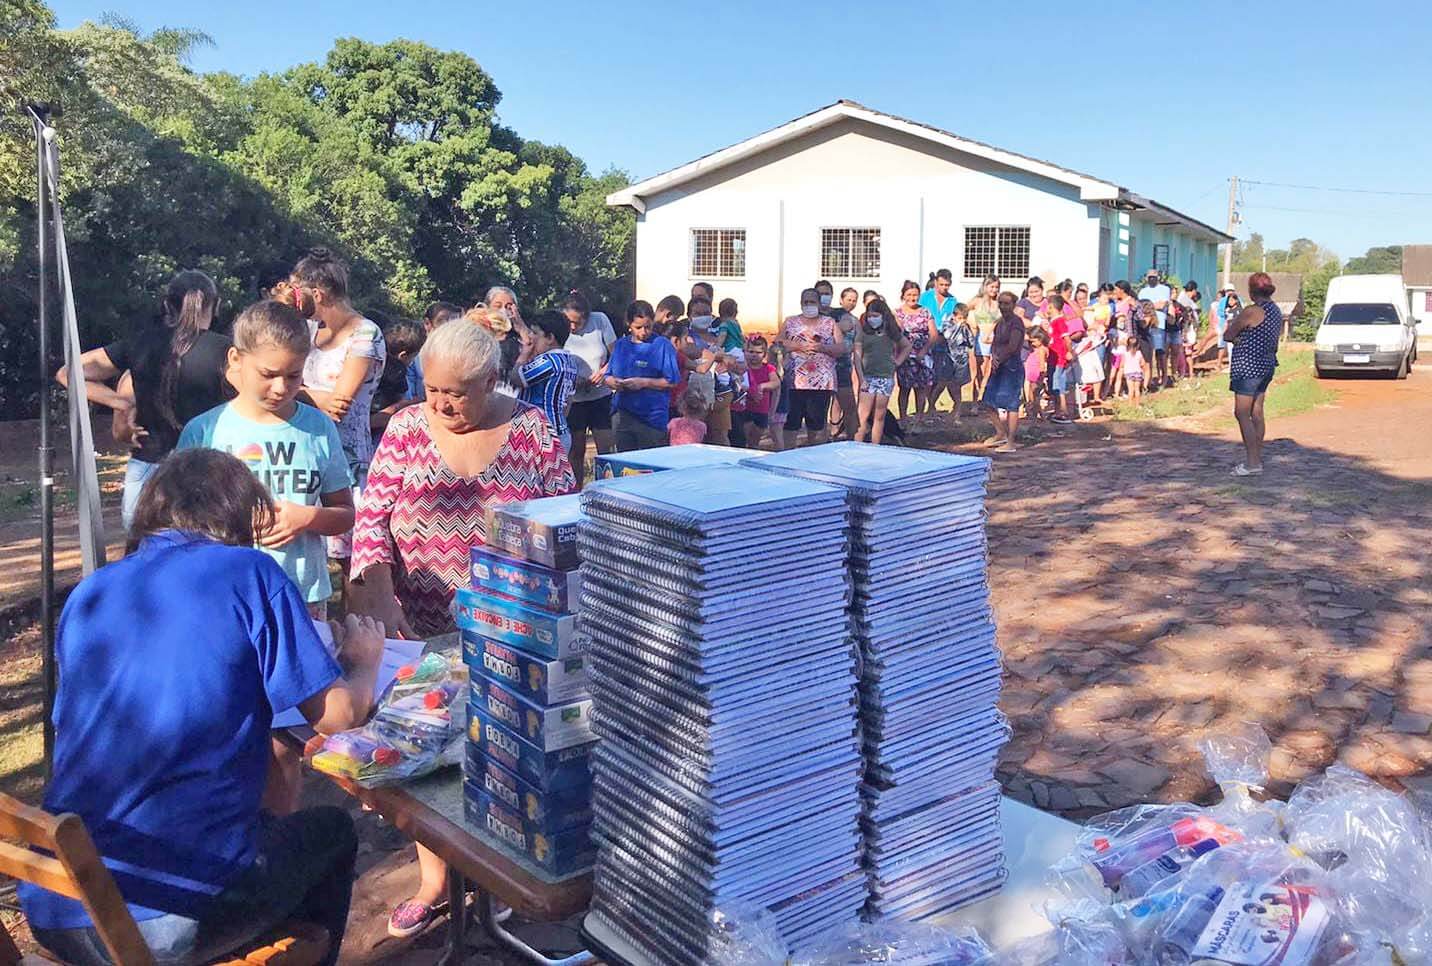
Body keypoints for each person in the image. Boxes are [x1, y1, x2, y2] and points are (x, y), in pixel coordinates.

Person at [19, 449, 384, 966]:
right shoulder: (248, 572)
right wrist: (363, 662)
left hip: (56, 902)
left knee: (260, 829)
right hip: (158, 919)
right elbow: (339, 715)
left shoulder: (90, 592)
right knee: (332, 833)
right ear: (239, 515)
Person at [348, 322, 574, 936]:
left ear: (492, 380)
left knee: (501, 748)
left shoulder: (532, 430)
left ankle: (498, 874)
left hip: (510, 628)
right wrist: (375, 585)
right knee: (426, 756)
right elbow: (371, 519)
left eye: (458, 393)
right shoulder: (405, 427)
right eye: (433, 390)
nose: (443, 404)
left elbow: (564, 519)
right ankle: (434, 880)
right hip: (418, 626)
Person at [178, 300, 354, 619]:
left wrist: (307, 518)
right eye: (268, 374)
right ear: (236, 359)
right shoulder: (204, 431)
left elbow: (345, 514)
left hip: (302, 596)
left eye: (293, 375)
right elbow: (177, 522)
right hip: (226, 594)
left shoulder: (318, 428)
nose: (280, 388)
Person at [56, 270, 227, 528]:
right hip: (207, 468)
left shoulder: (140, 343)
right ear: (215, 306)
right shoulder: (226, 350)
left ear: (167, 305)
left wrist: (121, 403)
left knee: (142, 554)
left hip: (148, 464)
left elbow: (68, 373)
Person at [291, 250, 386, 569]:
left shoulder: (366, 334)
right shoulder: (306, 331)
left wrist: (291, 389)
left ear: (316, 293)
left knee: (352, 561)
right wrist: (308, 393)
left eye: (297, 291)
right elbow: (326, 398)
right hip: (304, 454)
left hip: (348, 461)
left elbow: (339, 405)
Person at [1223, 272, 1282, 477]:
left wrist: (1240, 341)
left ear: (1251, 290)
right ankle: (1257, 456)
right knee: (1257, 412)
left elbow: (1229, 334)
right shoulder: (1275, 310)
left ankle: (1252, 462)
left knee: (1242, 413)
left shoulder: (1252, 311)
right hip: (1266, 365)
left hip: (1248, 366)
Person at [560, 290, 618, 487]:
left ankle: (606, 488)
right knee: (576, 450)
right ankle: (576, 491)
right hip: (574, 399)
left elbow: (616, 353)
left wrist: (603, 372)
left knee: (605, 446)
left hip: (600, 395)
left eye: (577, 322)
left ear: (587, 316)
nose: (573, 327)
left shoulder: (600, 320)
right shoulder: (561, 328)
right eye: (569, 322)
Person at [606, 300, 681, 451]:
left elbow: (672, 381)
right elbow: (608, 375)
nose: (643, 332)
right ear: (629, 324)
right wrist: (612, 382)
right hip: (623, 414)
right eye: (638, 327)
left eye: (648, 327)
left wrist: (644, 382)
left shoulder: (661, 345)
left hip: (651, 417)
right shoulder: (621, 345)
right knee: (624, 463)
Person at [778, 287, 844, 447]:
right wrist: (797, 346)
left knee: (816, 424)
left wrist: (822, 348)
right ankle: (789, 454)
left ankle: (814, 454)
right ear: (801, 303)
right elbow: (778, 343)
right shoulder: (790, 321)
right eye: (805, 302)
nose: (809, 305)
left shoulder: (830, 323)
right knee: (791, 422)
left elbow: (841, 348)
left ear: (819, 304)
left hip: (821, 383)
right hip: (795, 381)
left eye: (812, 302)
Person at [516, 310, 580, 453]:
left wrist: (524, 355)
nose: (531, 338)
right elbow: (569, 401)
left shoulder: (548, 361)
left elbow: (516, 378)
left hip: (542, 434)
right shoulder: (570, 362)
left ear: (550, 338)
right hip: (561, 430)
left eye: (535, 333)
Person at [853, 298, 910, 445]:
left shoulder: (891, 333)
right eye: (870, 315)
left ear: (883, 316)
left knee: (880, 415)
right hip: (868, 377)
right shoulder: (863, 333)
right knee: (863, 415)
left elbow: (906, 346)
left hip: (885, 377)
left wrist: (897, 362)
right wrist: (861, 379)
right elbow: (857, 357)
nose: (872, 319)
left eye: (875, 315)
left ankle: (875, 446)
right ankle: (856, 446)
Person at [982, 292, 1025, 453]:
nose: (1003, 307)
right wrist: (994, 357)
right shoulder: (1000, 323)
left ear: (1013, 305)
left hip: (1011, 367)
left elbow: (1013, 347)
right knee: (988, 400)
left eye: (1007, 303)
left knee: (1011, 404)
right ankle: (1001, 433)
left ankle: (1011, 442)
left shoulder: (1016, 323)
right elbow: (993, 342)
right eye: (1001, 303)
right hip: (997, 365)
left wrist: (1000, 358)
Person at [371, 319, 425, 446]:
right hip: (381, 430)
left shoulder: (373, 362)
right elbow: (399, 405)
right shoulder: (398, 372)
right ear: (403, 355)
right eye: (414, 357)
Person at [894, 281, 939, 419]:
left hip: (922, 356)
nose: (912, 298)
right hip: (904, 356)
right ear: (903, 295)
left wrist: (924, 351)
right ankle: (903, 418)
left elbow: (933, 334)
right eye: (909, 295)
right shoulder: (897, 313)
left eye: (915, 295)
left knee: (921, 389)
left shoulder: (925, 312)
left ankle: (919, 417)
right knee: (904, 389)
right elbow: (894, 334)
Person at [822, 282, 860, 441]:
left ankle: (853, 442)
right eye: (820, 293)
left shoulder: (841, 314)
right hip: (819, 370)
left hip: (842, 368)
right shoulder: (808, 317)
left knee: (849, 407)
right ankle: (823, 440)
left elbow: (848, 326)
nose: (824, 297)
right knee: (819, 410)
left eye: (827, 293)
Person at [408, 302, 463, 400]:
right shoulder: (415, 352)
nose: (448, 326)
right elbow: (409, 394)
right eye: (442, 321)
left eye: (454, 322)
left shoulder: (463, 352)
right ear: (427, 323)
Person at [734, 336, 781, 448]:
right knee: (744, 438)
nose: (754, 355)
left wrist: (762, 386)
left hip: (761, 410)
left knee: (755, 441)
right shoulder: (742, 368)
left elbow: (776, 382)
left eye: (758, 352)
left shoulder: (768, 368)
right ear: (745, 352)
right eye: (751, 351)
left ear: (764, 354)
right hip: (745, 408)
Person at [937, 303, 976, 422]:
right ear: (955, 315)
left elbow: (970, 342)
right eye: (960, 318)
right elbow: (948, 336)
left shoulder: (965, 327)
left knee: (957, 386)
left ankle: (957, 413)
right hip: (948, 358)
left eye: (964, 318)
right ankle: (931, 408)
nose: (962, 320)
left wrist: (967, 329)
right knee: (942, 384)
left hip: (961, 359)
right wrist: (958, 325)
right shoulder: (948, 322)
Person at [967, 275, 1002, 398]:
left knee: (990, 371)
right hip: (980, 338)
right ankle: (976, 399)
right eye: (991, 286)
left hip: (995, 338)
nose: (994, 290)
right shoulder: (977, 301)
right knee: (979, 371)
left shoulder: (999, 303)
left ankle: (985, 397)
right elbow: (962, 311)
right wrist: (971, 323)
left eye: (996, 287)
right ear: (985, 286)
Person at [1138, 269, 1173, 387]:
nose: (1152, 279)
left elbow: (1163, 304)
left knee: (1160, 352)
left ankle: (1163, 377)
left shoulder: (1165, 289)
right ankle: (1149, 378)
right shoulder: (1143, 291)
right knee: (1146, 353)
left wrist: (1148, 306)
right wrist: (1153, 306)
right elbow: (1141, 307)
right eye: (1149, 277)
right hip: (1145, 324)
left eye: (1154, 277)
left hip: (1159, 324)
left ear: (1158, 277)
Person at [1024, 328, 1049, 419]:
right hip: (1031, 375)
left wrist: (1041, 378)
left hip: (1036, 376)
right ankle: (1036, 413)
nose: (1032, 343)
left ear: (1041, 339)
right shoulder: (1035, 348)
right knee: (1032, 396)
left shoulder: (1042, 350)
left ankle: (1037, 414)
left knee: (1035, 397)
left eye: (1034, 341)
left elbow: (1042, 365)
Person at [1123, 334, 1146, 404]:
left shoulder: (1125, 354)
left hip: (1129, 372)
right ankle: (1137, 404)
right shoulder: (1139, 353)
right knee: (1137, 390)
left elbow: (1122, 363)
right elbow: (1143, 363)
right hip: (1138, 372)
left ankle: (1130, 404)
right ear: (1138, 345)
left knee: (1130, 390)